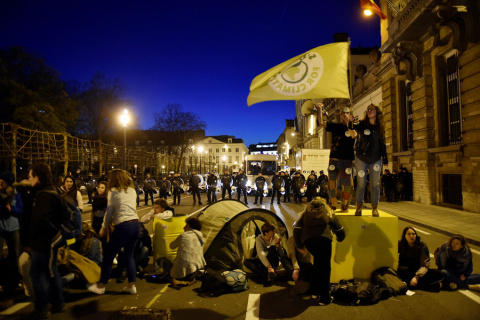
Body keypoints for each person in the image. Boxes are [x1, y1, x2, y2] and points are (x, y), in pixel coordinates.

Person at [87, 169, 140, 295]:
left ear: (115, 179)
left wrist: (104, 226)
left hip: (123, 225)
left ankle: (101, 286)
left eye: (111, 178)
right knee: (129, 255)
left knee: (109, 255)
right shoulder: (131, 190)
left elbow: (109, 210)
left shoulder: (113, 191)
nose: (109, 180)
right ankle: (131, 285)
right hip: (135, 224)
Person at [27, 163, 65, 317]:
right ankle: (58, 303)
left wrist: (32, 241)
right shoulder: (51, 190)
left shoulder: (44, 195)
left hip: (44, 242)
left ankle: (42, 308)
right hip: (50, 240)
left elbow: (41, 220)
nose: (29, 180)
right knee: (51, 272)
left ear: (37, 177)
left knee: (36, 274)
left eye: (30, 177)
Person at [293, 197, 345, 305]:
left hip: (309, 242)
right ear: (324, 204)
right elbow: (338, 228)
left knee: (317, 264)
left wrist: (299, 245)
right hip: (324, 241)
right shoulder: (328, 212)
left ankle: (315, 292)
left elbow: (296, 229)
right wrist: (340, 238)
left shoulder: (305, 214)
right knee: (325, 268)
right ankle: (324, 298)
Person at [317, 105, 357, 212]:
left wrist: (349, 124)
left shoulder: (354, 127)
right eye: (343, 113)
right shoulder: (336, 126)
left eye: (347, 113)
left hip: (346, 160)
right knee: (331, 182)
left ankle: (345, 204)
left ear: (350, 115)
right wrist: (319, 109)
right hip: (334, 159)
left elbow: (353, 136)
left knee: (347, 183)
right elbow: (321, 122)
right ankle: (333, 203)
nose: (344, 115)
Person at [352, 104, 388, 217]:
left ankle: (375, 208)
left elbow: (382, 144)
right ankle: (359, 207)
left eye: (371, 109)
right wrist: (350, 121)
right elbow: (353, 126)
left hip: (375, 159)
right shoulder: (363, 124)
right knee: (361, 184)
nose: (369, 111)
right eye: (367, 110)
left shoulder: (380, 127)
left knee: (375, 185)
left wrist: (385, 158)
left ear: (376, 112)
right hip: (361, 158)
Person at [244, 222, 294, 287]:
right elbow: (260, 253)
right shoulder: (259, 239)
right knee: (247, 262)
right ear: (266, 233)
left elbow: (281, 253)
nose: (274, 232)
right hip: (264, 261)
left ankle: (266, 276)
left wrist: (278, 245)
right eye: (272, 231)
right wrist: (268, 266)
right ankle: (268, 274)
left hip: (273, 260)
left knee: (272, 248)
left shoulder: (275, 236)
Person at [397, 227, 443, 291]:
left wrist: (416, 277)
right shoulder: (400, 244)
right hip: (406, 270)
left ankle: (411, 284)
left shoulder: (421, 245)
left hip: (418, 270)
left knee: (439, 273)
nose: (411, 236)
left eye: (413, 234)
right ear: (404, 236)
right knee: (401, 270)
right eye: (408, 234)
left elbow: (425, 265)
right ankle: (431, 285)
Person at [0, 171, 23, 293]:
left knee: (14, 255)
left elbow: (20, 210)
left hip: (13, 227)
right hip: (0, 227)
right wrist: (3, 208)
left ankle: (15, 279)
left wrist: (11, 209)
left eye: (2, 182)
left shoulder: (15, 194)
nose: (0, 183)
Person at [169, 217, 206, 288]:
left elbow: (172, 246)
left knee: (162, 261)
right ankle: (195, 274)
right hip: (199, 266)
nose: (184, 228)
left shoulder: (183, 235)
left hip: (183, 271)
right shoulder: (200, 236)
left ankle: (184, 278)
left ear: (191, 227)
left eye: (186, 226)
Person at [91, 181, 108, 253]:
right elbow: (93, 211)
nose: (100, 189)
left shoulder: (107, 199)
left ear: (106, 189)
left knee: (104, 241)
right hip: (95, 221)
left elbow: (107, 213)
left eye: (102, 188)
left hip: (103, 221)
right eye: (99, 187)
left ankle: (107, 258)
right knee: (95, 240)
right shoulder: (95, 198)